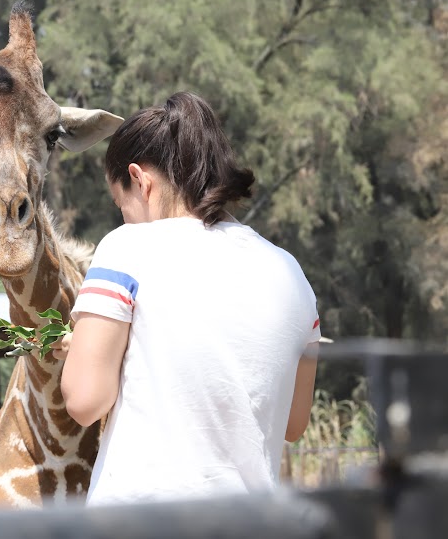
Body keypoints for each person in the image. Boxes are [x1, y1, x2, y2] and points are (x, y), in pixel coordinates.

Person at [57, 91, 320, 506]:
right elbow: (293, 421)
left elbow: (85, 400)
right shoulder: (292, 274)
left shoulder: (127, 247)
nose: (122, 216)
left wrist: (86, 351)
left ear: (140, 180)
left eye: (119, 203)